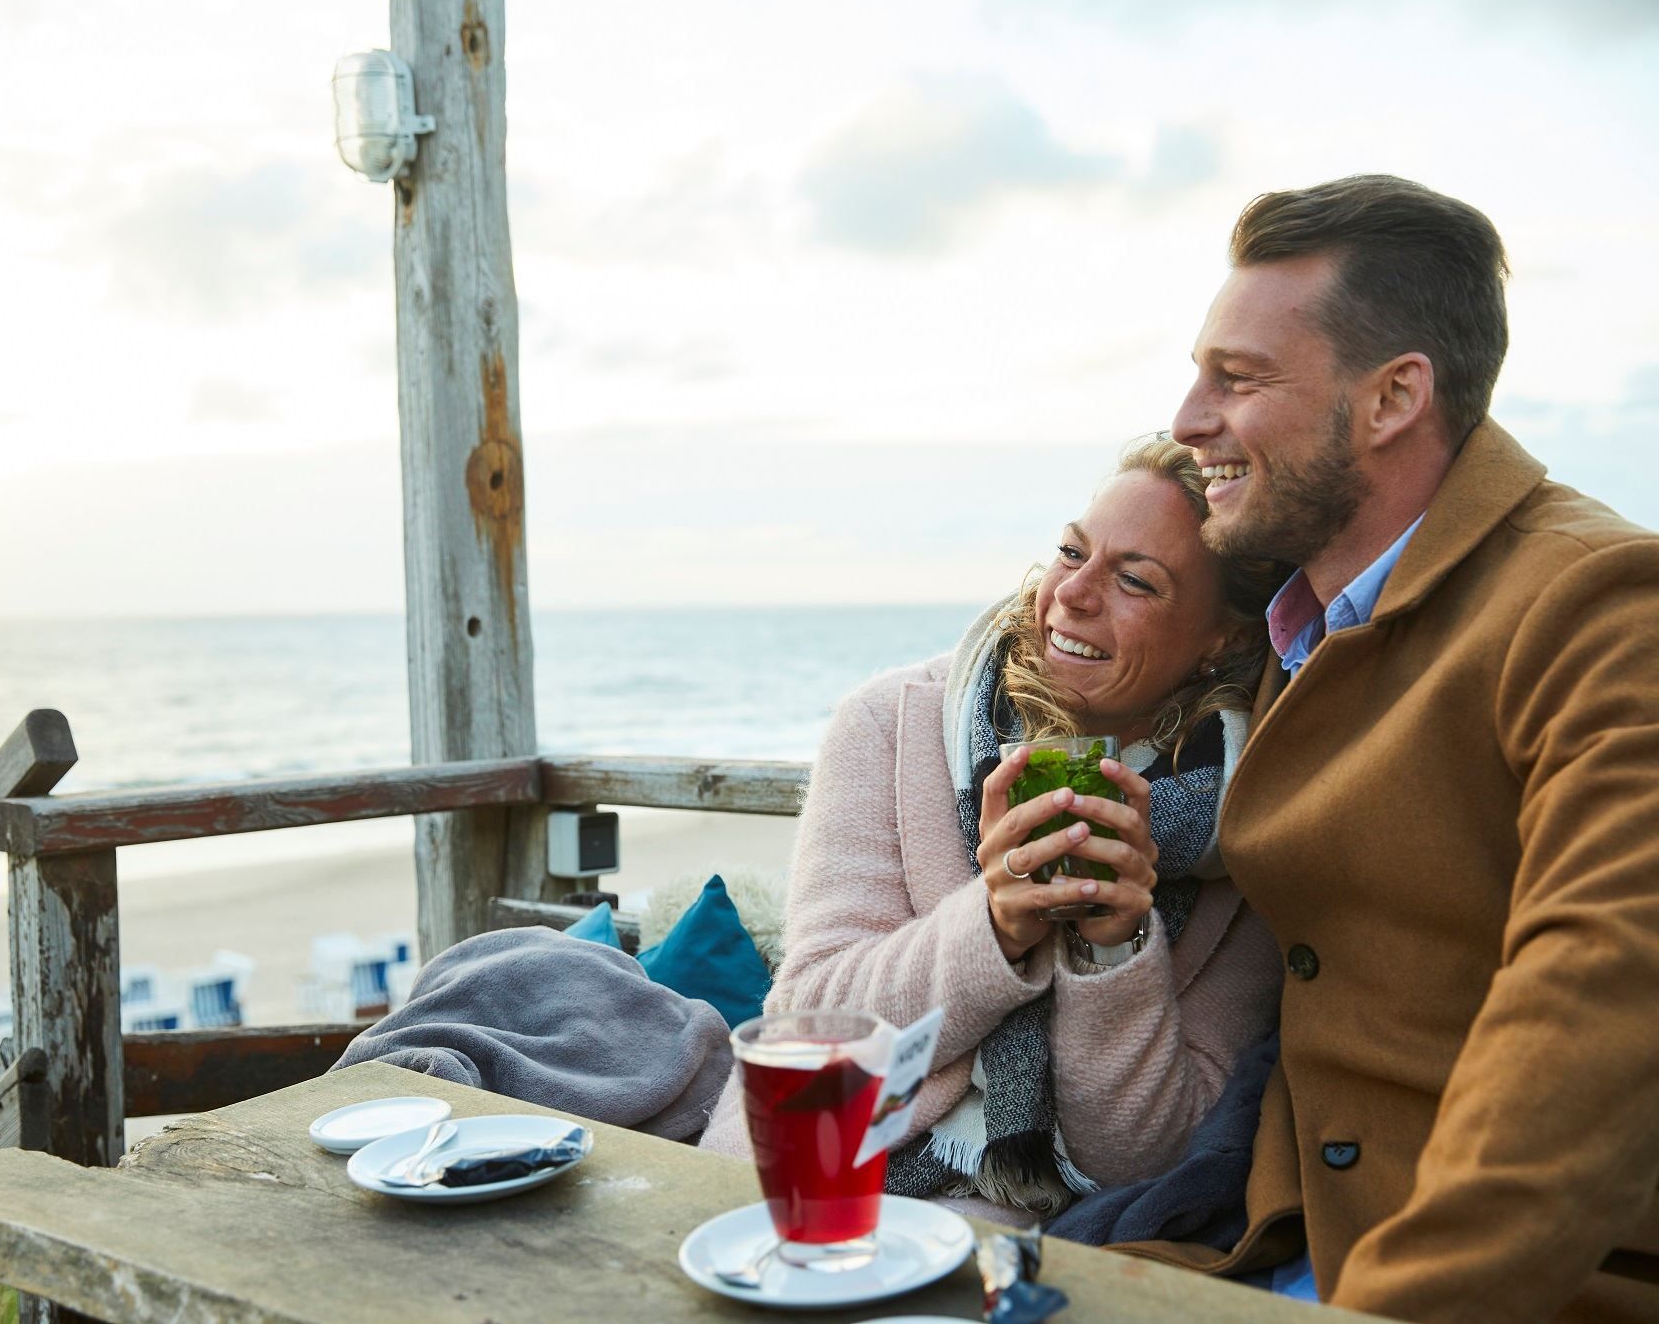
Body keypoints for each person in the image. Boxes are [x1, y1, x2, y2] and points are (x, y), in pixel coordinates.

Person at [1144, 174, 1659, 1320]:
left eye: (1235, 378)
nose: (1185, 418)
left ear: (1391, 399)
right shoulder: (1298, 613)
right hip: (1271, 1236)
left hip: (1504, 1282)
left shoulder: (1601, 601)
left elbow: (1601, 1002)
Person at [699, 437, 1287, 1224]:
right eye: (1071, 551)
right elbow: (808, 1023)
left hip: (1045, 1230)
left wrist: (1111, 944)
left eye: (1135, 580)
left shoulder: (1252, 819)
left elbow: (1151, 1157)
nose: (1073, 593)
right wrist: (996, 921)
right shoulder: (892, 723)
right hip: (812, 1175)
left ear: (1230, 638)